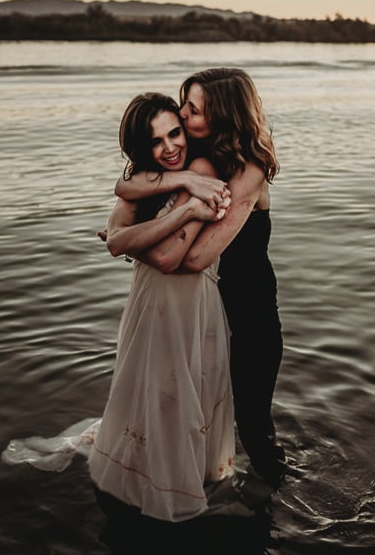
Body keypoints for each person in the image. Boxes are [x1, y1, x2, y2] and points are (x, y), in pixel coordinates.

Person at [2, 92, 238, 523]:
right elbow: (116, 239)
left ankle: (188, 479)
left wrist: (135, 237)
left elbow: (156, 254)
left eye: (175, 132)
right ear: (140, 147)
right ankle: (154, 479)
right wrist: (184, 209)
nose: (170, 147)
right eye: (156, 141)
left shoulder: (203, 169)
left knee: (184, 396)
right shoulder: (153, 180)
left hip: (191, 303)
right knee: (154, 390)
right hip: (150, 300)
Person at [111, 68, 287, 490]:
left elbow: (195, 258)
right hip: (207, 314)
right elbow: (126, 183)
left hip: (250, 316)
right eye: (185, 103)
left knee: (253, 425)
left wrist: (126, 242)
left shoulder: (250, 168)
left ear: (222, 114)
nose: (183, 114)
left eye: (192, 109)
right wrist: (184, 178)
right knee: (191, 409)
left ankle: (281, 504)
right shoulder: (194, 156)